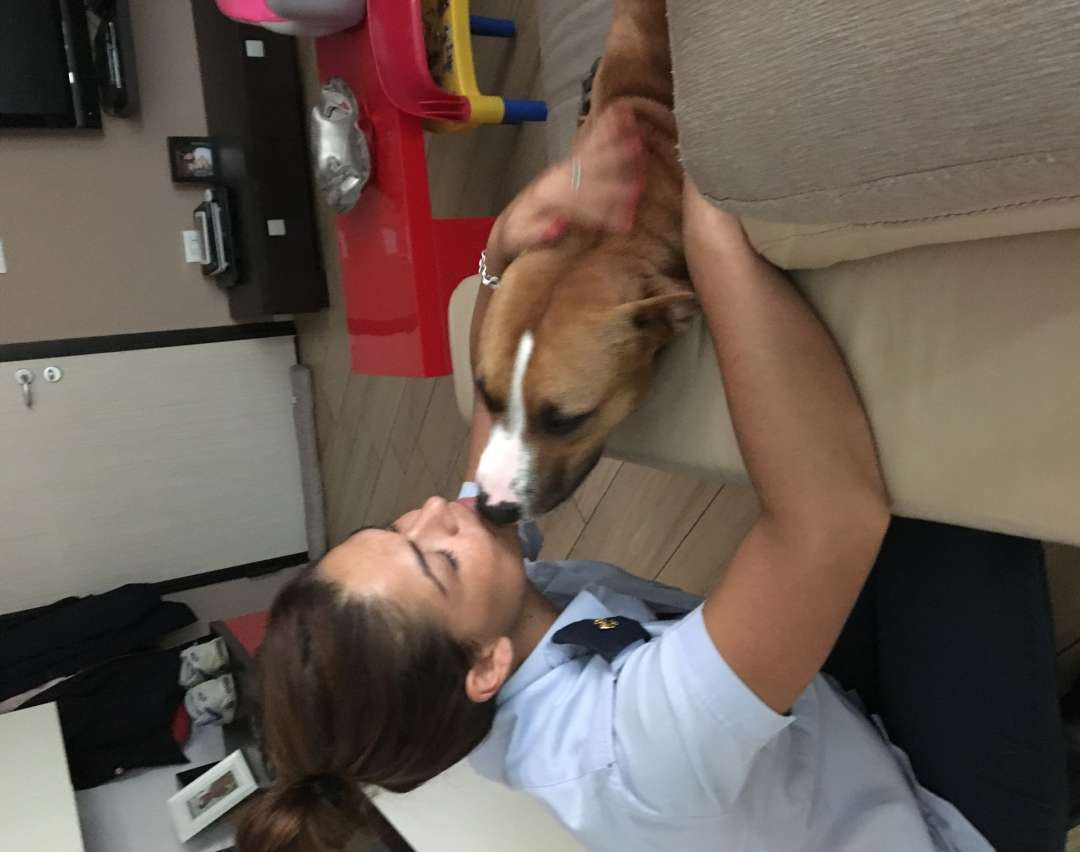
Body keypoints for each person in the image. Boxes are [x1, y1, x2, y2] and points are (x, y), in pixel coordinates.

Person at [236, 109, 1068, 852]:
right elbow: (832, 521)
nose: (435, 513)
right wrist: (709, 221)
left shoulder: (470, 651)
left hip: (824, 724)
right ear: (485, 666)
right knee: (931, 454)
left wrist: (502, 247)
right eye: (432, 557)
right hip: (950, 821)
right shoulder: (624, 762)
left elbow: (494, 423)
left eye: (395, 526)